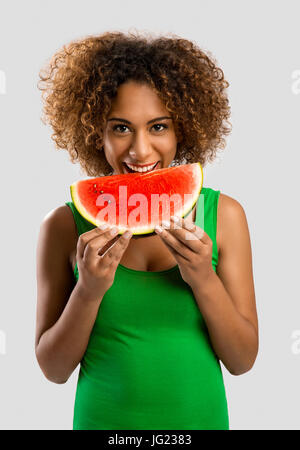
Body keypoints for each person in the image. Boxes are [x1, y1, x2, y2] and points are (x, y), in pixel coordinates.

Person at [35, 30, 258, 430]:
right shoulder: (63, 226)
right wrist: (88, 291)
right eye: (121, 128)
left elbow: (242, 362)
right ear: (94, 133)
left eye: (158, 127)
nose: (140, 151)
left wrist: (203, 278)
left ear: (183, 130)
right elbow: (53, 369)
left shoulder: (223, 215)